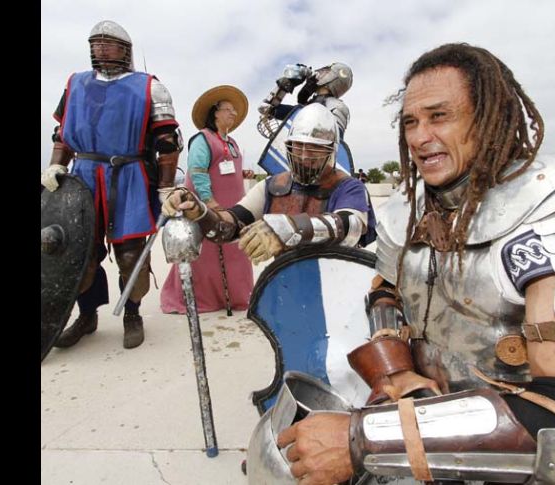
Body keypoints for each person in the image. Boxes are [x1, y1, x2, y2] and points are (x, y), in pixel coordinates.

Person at [272, 43, 555, 485]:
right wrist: (397, 372)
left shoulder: (553, 206)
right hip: (425, 437)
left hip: (524, 467)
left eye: (439, 116)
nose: (418, 136)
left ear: (490, 118)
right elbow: (385, 290)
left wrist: (361, 439)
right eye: (411, 122)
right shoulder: (406, 208)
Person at [41, 20, 182, 350]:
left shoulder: (149, 86)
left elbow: (166, 142)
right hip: (84, 176)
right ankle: (87, 316)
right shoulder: (76, 84)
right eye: (95, 44)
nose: (100, 49)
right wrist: (55, 166)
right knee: (79, 253)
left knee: (131, 254)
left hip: (129, 176)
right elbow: (63, 135)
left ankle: (132, 313)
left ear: (126, 50)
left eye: (108, 43)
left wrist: (163, 187)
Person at [162, 102, 376, 265]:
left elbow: (349, 225)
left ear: (331, 150)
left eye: (313, 148)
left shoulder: (349, 187)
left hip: (336, 287)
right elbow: (228, 227)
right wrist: (198, 210)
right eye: (297, 146)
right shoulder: (272, 186)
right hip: (284, 286)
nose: (303, 156)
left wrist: (286, 228)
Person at [160, 85, 255, 314]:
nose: (233, 114)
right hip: (207, 206)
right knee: (206, 253)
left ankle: (234, 297)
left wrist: (243, 174)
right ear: (215, 113)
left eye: (234, 111)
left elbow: (224, 169)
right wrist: (208, 202)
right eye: (228, 109)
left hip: (233, 207)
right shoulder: (202, 139)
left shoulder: (231, 142)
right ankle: (202, 298)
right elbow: (198, 171)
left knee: (234, 250)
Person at [259, 62, 353, 137]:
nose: (318, 73)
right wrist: (286, 84)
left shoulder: (337, 107)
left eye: (325, 72)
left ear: (332, 77)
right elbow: (265, 108)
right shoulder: (306, 109)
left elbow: (336, 145)